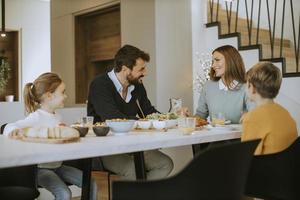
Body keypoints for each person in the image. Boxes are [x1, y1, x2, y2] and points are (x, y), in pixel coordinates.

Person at [3, 72, 97, 200]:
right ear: (49, 95)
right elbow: (9, 126)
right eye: (63, 92)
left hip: (58, 166)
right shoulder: (36, 117)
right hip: (42, 169)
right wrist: (13, 130)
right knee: (64, 194)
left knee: (91, 183)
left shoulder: (57, 116)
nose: (66, 96)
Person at [87, 44, 173, 180]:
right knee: (133, 169)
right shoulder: (99, 85)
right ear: (125, 69)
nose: (145, 73)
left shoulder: (137, 85)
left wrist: (172, 116)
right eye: (141, 69)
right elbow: (112, 118)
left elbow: (148, 112)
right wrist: (142, 123)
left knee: (165, 164)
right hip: (106, 147)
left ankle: (140, 194)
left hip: (134, 144)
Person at [241, 62, 298, 155]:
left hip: (266, 168)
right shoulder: (286, 114)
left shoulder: (252, 118)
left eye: (246, 84)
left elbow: (247, 158)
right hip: (288, 168)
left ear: (252, 88)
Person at [195, 45, 254, 124]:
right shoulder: (208, 86)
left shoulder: (247, 87)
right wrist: (185, 118)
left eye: (217, 60)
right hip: (215, 135)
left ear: (231, 61)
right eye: (213, 61)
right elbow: (200, 116)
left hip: (241, 135)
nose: (213, 65)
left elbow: (255, 116)